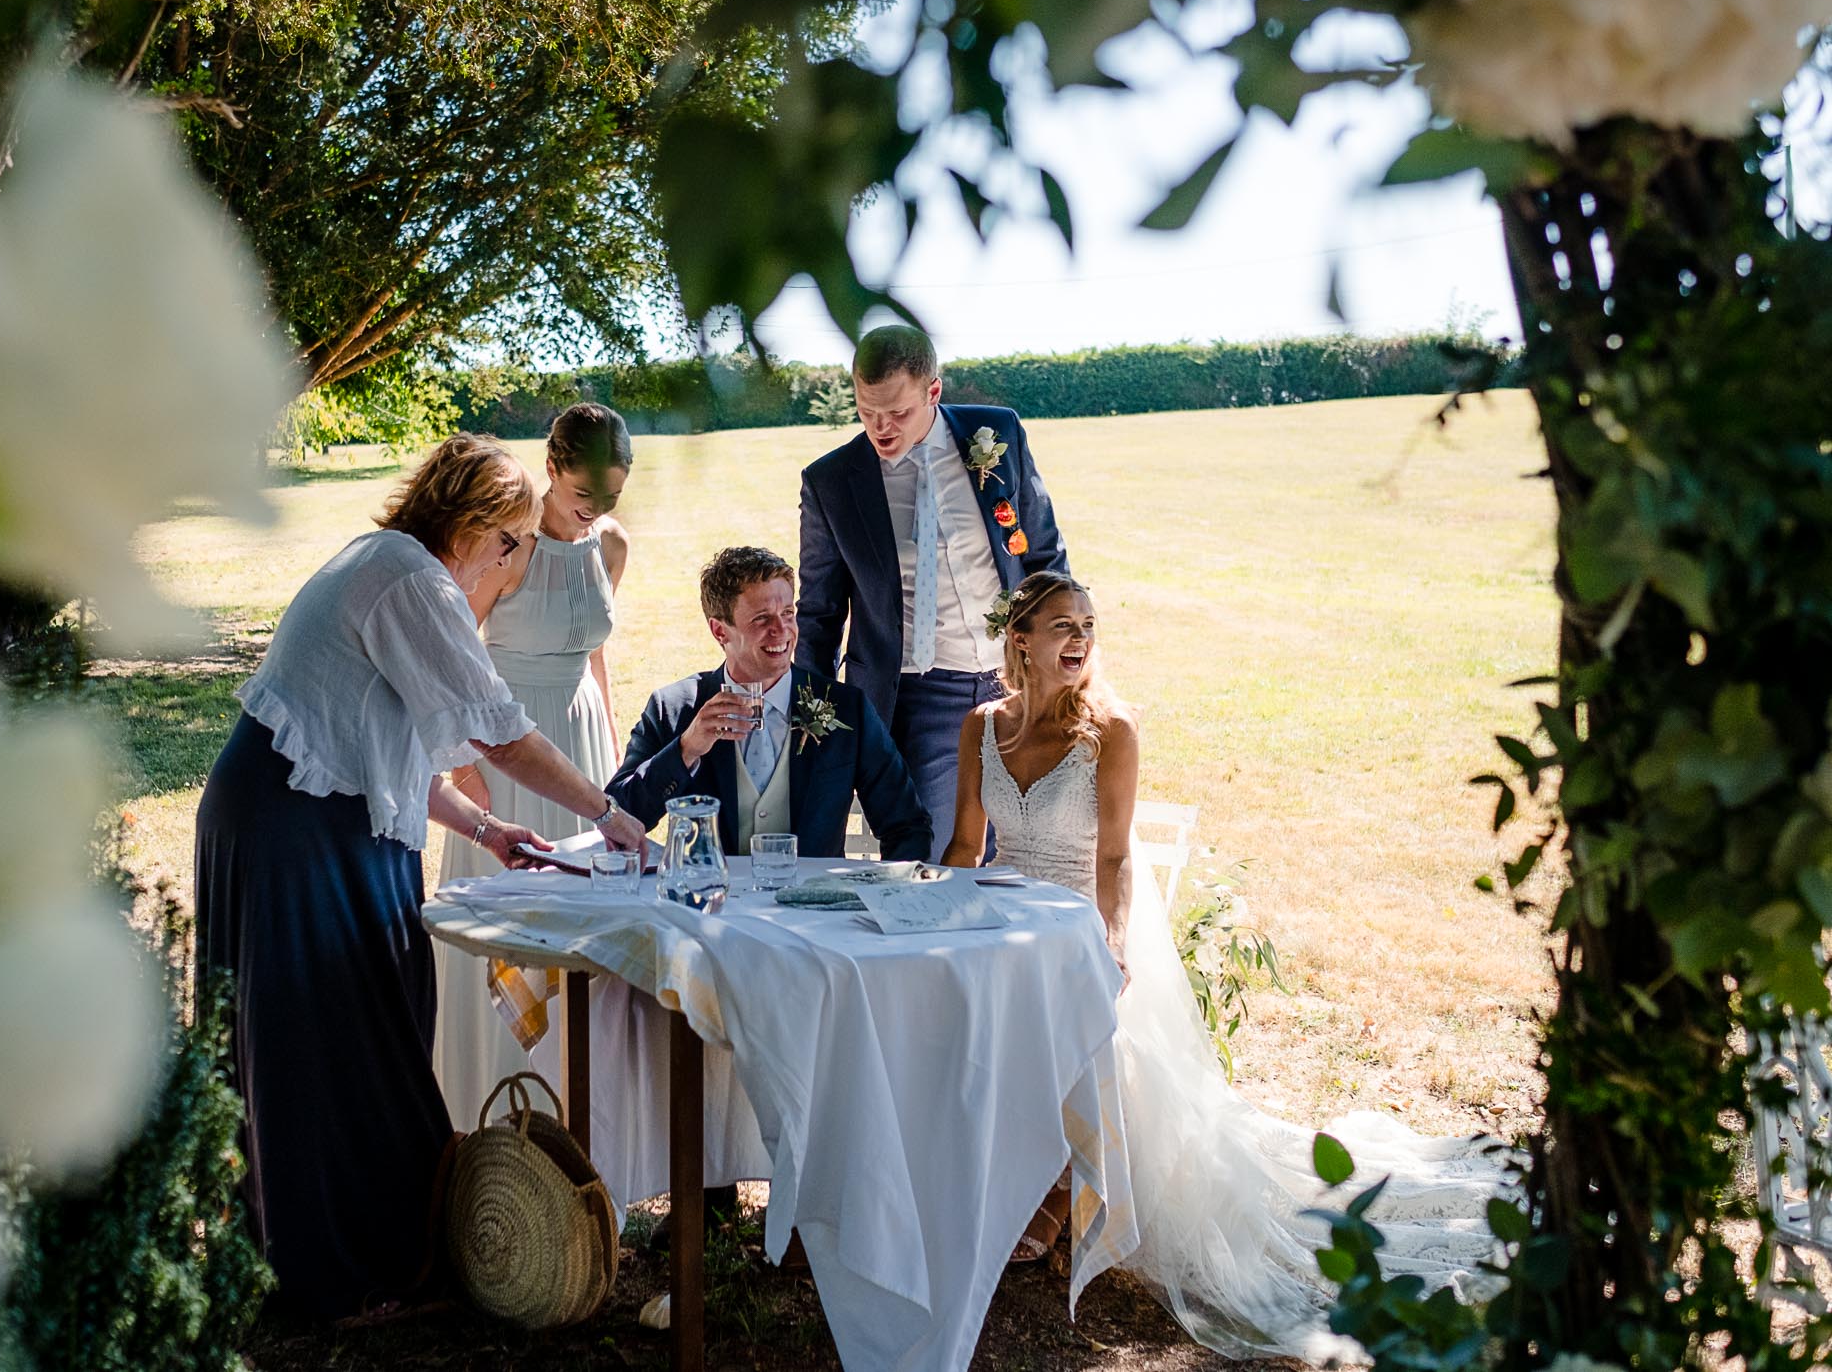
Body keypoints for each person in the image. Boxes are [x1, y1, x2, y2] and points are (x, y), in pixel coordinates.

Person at [946, 571, 1509, 1359]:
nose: (1078, 639)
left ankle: (1057, 1192)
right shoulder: (982, 725)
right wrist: (937, 917)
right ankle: (990, 1180)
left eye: (1088, 625)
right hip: (1002, 923)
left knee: (1070, 1025)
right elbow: (967, 848)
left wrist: (1110, 941)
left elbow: (1114, 856)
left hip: (1076, 926)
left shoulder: (1111, 730)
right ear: (1022, 640)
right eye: (1061, 625)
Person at [193, 433, 647, 1324]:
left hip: (308, 820)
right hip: (295, 829)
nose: (514, 565)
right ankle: (339, 1273)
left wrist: (486, 825)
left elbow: (389, 747)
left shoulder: (391, 565)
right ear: (479, 526)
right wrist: (606, 811)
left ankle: (361, 1255)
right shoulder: (411, 578)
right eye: (513, 542)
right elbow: (501, 734)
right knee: (331, 1041)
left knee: (369, 1021)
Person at [796, 323, 1066, 862]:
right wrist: (812, 720)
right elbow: (820, 613)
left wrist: (1059, 664)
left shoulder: (999, 436)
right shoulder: (832, 480)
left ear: (934, 393)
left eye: (897, 413)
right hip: (920, 700)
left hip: (1021, 680)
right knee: (938, 864)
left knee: (1035, 853)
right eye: (867, 411)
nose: (881, 427)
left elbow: (1043, 556)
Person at [434, 403, 632, 1124]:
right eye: (585, 497)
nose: (596, 513)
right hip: (508, 745)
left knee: (584, 932)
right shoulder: (507, 550)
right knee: (512, 930)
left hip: (580, 743)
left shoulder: (609, 545)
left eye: (610, 498)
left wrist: (607, 755)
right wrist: (468, 779)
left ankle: (579, 1113)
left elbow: (596, 656)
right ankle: (492, 1115)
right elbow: (456, 664)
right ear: (551, 469)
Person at [607, 545, 930, 862]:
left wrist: (883, 898)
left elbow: (907, 827)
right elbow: (618, 817)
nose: (782, 631)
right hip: (711, 906)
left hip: (814, 911)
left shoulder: (847, 708)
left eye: (788, 614)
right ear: (720, 631)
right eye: (762, 619)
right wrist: (686, 749)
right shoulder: (674, 708)